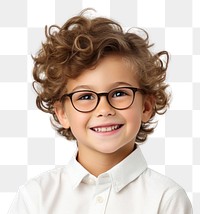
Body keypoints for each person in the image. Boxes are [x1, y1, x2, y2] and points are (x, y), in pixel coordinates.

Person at [8, 9, 192, 214]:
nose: (104, 109)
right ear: (62, 113)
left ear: (146, 106)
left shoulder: (166, 198)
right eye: (85, 97)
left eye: (120, 93)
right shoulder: (35, 197)